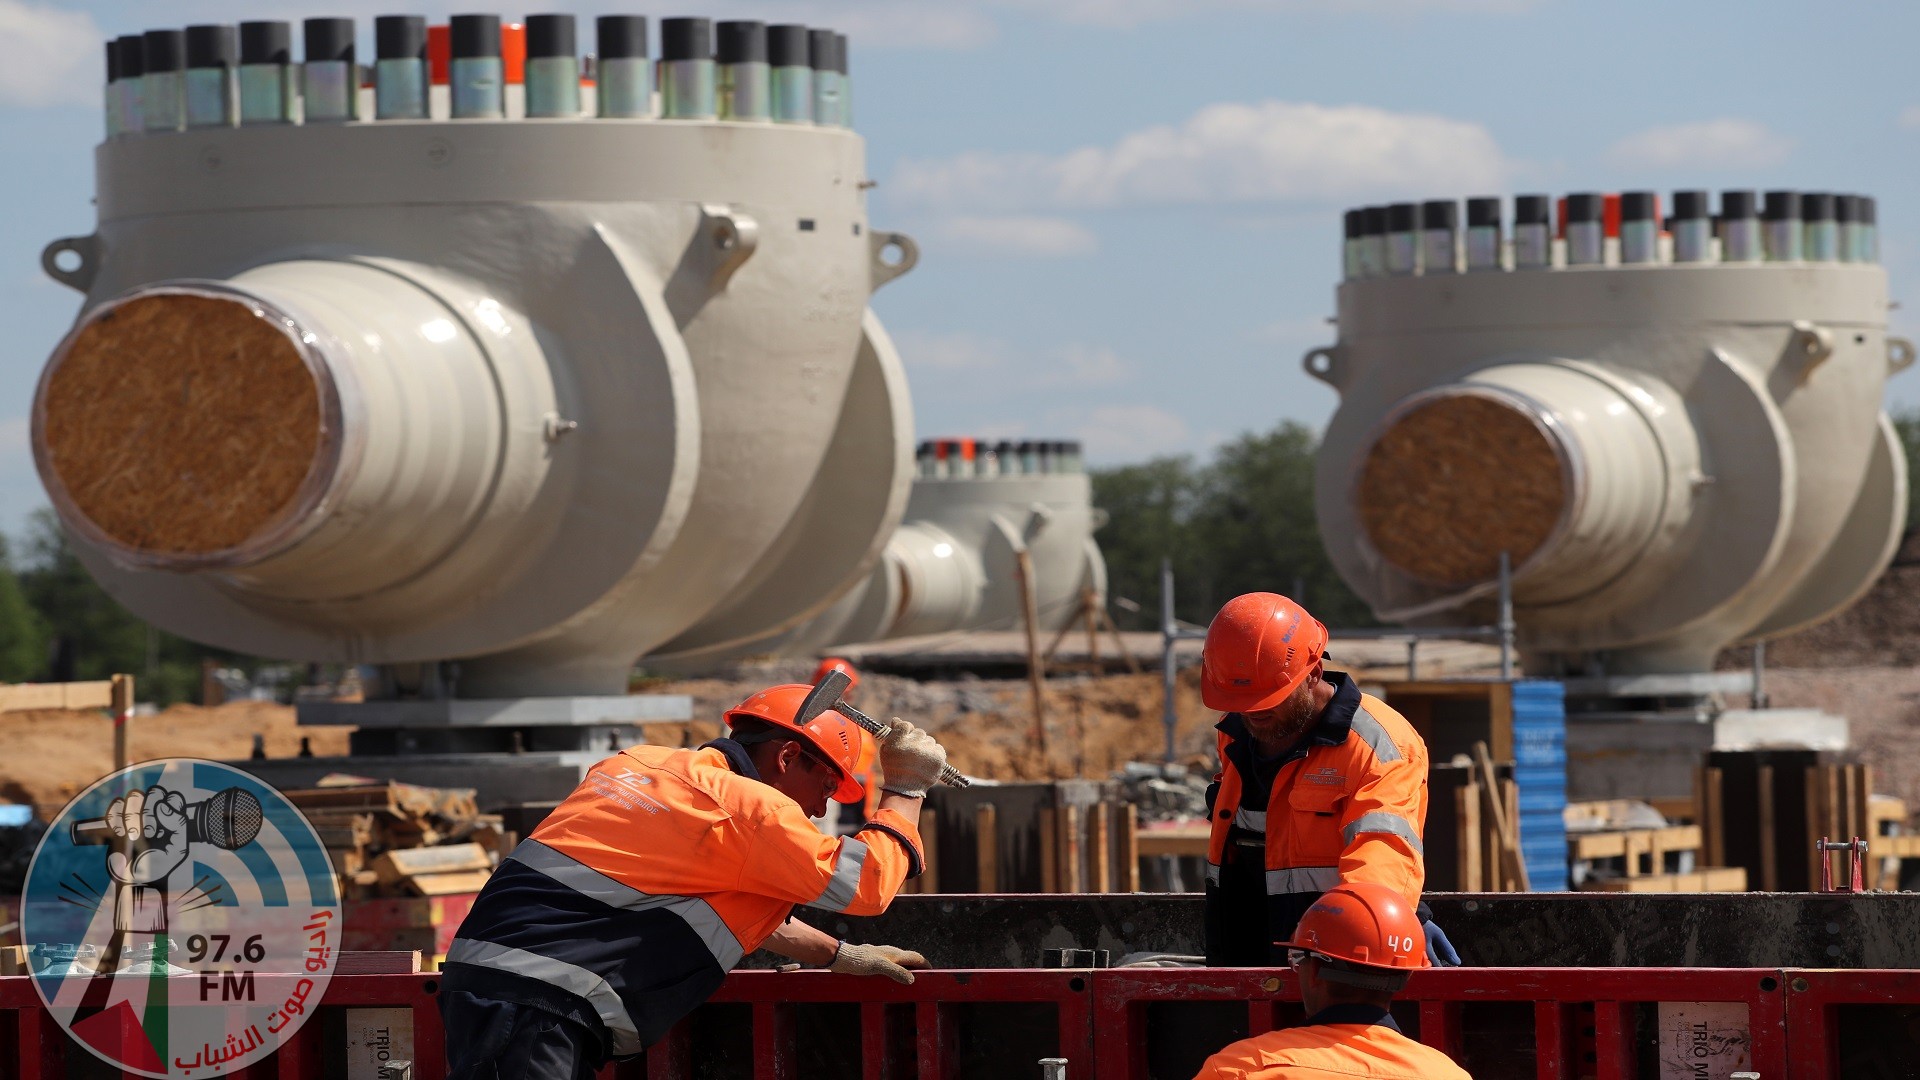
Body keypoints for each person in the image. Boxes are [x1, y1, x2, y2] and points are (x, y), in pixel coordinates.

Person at [440, 683, 949, 1079]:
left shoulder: (642, 764)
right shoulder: (749, 809)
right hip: (537, 1006)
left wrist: (836, 955)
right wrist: (905, 787)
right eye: (823, 786)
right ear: (787, 757)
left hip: (498, 986)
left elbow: (678, 898)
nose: (819, 809)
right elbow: (868, 885)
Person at [1199, 593, 1456, 967]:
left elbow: (1382, 856)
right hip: (1246, 960)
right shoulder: (1239, 731)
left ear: (1314, 675)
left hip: (1335, 964)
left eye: (1268, 702)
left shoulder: (1380, 746)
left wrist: (1373, 925)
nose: (1252, 715)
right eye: (1241, 703)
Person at [1192, 882, 1472, 1078]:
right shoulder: (1447, 1074)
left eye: (1297, 959)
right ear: (1406, 975)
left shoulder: (1238, 1069)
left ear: (1313, 973)